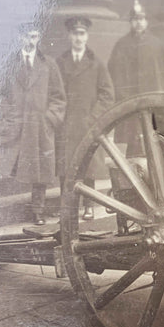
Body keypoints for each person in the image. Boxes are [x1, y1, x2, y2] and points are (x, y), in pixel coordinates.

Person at [0, 21, 66, 225]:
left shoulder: (48, 64)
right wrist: (8, 114)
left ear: (38, 38)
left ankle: (37, 211)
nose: (30, 41)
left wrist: (49, 118)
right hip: (15, 126)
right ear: (20, 38)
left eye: (34, 37)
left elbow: (59, 97)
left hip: (40, 127)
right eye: (26, 37)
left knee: (40, 170)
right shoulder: (10, 64)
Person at [56, 16, 115, 220]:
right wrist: (57, 117)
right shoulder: (60, 62)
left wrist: (94, 118)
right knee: (65, 166)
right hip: (65, 124)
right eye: (74, 34)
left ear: (87, 36)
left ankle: (89, 206)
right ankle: (68, 208)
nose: (78, 38)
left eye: (82, 34)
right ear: (69, 36)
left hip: (87, 123)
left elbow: (107, 95)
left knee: (87, 165)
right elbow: (52, 92)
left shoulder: (96, 63)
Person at [108, 0, 164, 156]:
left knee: (157, 142)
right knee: (135, 147)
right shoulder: (121, 45)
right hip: (132, 105)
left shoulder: (156, 44)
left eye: (142, 19)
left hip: (154, 104)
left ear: (146, 21)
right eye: (135, 19)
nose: (139, 23)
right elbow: (115, 76)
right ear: (131, 22)